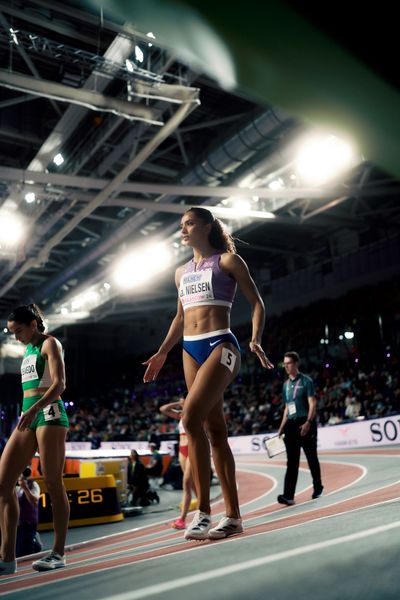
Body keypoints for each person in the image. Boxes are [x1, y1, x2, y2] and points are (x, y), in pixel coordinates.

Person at [143, 206, 273, 540]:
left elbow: (257, 302)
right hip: (190, 348)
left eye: (188, 224)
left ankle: (203, 513)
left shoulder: (228, 261)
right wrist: (162, 352)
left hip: (222, 345)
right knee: (214, 430)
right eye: (181, 225)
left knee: (190, 420)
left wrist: (255, 338)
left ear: (205, 227)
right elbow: (179, 317)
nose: (182, 229)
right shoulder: (180, 272)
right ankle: (234, 517)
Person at [0, 304, 69, 575]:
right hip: (30, 416)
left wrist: (34, 408)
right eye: (11, 332)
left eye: (18, 331)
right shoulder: (27, 350)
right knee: (3, 483)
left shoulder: (50, 344)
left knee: (53, 482)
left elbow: (60, 384)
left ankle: (59, 552)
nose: (15, 337)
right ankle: (7, 557)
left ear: (33, 324)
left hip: (49, 414)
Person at [277, 351, 323, 506]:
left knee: (311, 457)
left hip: (305, 422)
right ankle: (288, 495)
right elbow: (287, 407)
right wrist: (281, 427)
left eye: (289, 363)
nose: (286, 366)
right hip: (291, 424)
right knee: (292, 461)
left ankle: (318, 488)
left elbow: (313, 403)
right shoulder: (285, 385)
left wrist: (309, 422)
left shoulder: (306, 381)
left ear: (296, 363)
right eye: (285, 364)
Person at [160, 400, 197, 530]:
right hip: (182, 450)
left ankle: (182, 519)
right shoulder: (180, 414)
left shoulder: (194, 412)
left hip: (192, 448)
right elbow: (163, 409)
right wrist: (178, 403)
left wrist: (187, 404)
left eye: (185, 400)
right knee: (191, 485)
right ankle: (203, 509)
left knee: (186, 483)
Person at [16, 466, 41, 557]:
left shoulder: (33, 485)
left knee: (25, 553)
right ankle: (35, 542)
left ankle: (35, 543)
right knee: (18, 551)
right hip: (18, 523)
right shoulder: (17, 488)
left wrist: (25, 488)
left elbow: (34, 501)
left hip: (29, 522)